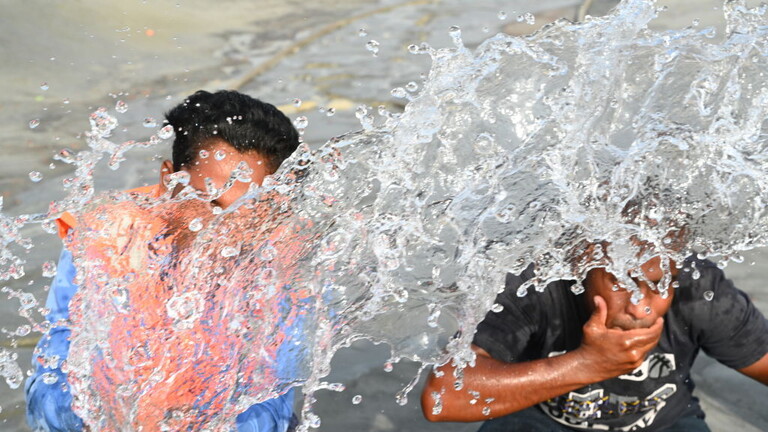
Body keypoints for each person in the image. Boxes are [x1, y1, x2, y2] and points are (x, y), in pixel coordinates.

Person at [26, 90, 302, 432]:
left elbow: (271, 394)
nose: (226, 231)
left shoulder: (288, 261)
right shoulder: (109, 239)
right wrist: (93, 415)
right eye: (210, 203)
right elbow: (51, 372)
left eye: (249, 212)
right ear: (169, 182)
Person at [421, 254, 768, 431]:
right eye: (623, 282)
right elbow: (443, 398)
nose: (640, 307)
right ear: (583, 262)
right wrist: (587, 363)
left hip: (664, 422)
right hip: (539, 420)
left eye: (660, 285)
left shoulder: (698, 287)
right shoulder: (536, 282)